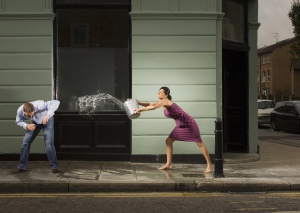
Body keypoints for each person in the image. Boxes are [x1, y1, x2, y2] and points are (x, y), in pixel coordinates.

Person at [135, 87, 213, 173]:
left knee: (199, 143)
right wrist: (139, 103)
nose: (158, 93)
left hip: (189, 123)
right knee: (168, 141)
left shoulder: (165, 101)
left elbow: (153, 107)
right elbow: (150, 104)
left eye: (161, 92)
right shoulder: (162, 102)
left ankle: (210, 165)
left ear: (166, 94)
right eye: (158, 92)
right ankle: (168, 164)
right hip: (180, 125)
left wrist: (140, 109)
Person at [13, 100, 60, 174]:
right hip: (36, 122)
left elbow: (56, 102)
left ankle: (54, 167)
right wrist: (27, 126)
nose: (31, 116)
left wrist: (48, 115)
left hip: (47, 120)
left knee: (48, 142)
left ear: (34, 109)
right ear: (24, 112)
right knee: (26, 142)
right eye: (28, 116)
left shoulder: (39, 104)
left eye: (32, 114)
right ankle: (21, 166)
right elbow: (18, 121)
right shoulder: (20, 110)